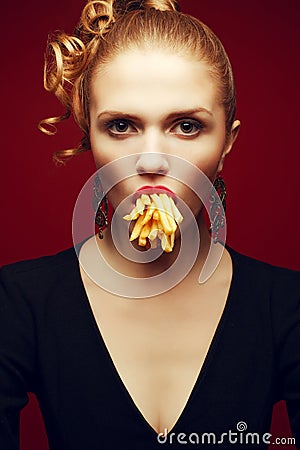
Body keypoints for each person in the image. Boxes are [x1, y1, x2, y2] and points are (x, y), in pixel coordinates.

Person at [0, 0, 299, 449]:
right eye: (121, 125)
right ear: (89, 136)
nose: (154, 159)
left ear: (227, 141)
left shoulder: (286, 306)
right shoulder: (19, 301)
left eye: (186, 125)